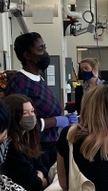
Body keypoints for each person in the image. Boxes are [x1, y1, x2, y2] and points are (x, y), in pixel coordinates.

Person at [5, 32, 75, 169]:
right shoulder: (19, 82)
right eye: (40, 49)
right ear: (27, 55)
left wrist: (63, 117)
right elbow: (16, 124)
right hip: (34, 148)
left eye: (45, 48)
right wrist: (55, 121)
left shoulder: (39, 78)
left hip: (50, 145)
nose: (45, 53)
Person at [0, 94, 49, 191]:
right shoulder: (10, 146)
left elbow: (43, 169)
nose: (30, 116)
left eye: (32, 111)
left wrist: (39, 176)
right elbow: (33, 184)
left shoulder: (28, 138)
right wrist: (40, 178)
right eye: (25, 113)